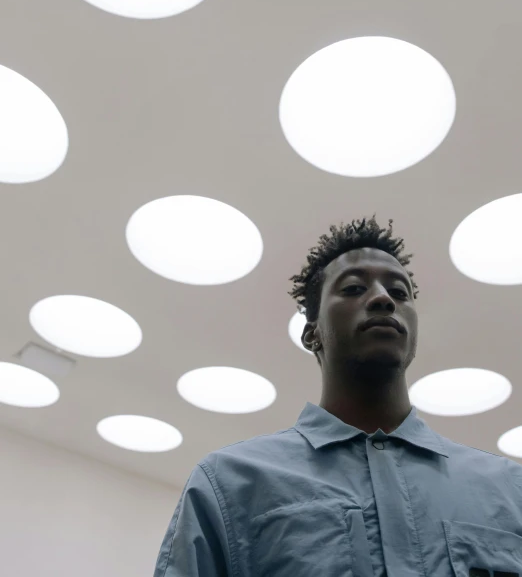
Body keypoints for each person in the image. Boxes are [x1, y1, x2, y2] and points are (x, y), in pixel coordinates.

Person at [153, 216, 522, 576]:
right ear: (311, 334)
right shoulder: (229, 484)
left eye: (399, 292)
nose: (383, 299)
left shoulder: (508, 487)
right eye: (353, 288)